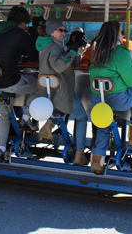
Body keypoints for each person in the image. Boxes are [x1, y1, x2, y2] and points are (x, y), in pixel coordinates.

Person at [0, 6, 39, 161]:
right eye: (27, 24)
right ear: (22, 22)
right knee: (39, 84)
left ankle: (1, 149)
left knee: (4, 114)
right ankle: (25, 119)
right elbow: (36, 46)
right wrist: (32, 31)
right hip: (11, 83)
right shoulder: (18, 34)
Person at [88, 21, 132, 174]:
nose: (124, 36)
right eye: (122, 33)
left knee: (104, 126)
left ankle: (97, 160)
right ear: (116, 35)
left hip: (98, 101)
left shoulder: (96, 51)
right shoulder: (120, 52)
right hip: (118, 100)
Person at [36, 20, 89, 165]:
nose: (63, 33)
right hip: (62, 91)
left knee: (61, 109)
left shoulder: (45, 45)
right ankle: (79, 154)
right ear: (52, 31)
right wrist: (73, 49)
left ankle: (48, 125)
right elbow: (59, 66)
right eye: (60, 30)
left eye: (65, 30)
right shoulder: (54, 47)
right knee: (82, 118)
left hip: (51, 92)